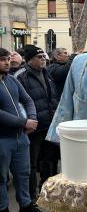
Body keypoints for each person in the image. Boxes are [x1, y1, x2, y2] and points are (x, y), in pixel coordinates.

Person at [15, 45, 60, 201]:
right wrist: (26, 121)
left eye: (43, 57)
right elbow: (19, 103)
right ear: (29, 60)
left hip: (49, 124)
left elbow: (53, 97)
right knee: (31, 164)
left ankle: (47, 191)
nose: (43, 60)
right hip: (33, 127)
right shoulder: (21, 76)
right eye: (39, 58)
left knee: (49, 160)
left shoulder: (47, 73)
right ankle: (31, 197)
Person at [0, 48, 41, 212]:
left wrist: (32, 118)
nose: (7, 62)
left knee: (23, 175)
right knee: (1, 178)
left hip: (21, 138)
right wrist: (24, 122)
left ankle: (26, 205)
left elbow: (28, 100)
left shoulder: (11, 80)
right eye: (3, 59)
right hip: (2, 138)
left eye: (8, 59)